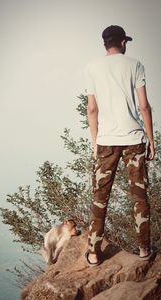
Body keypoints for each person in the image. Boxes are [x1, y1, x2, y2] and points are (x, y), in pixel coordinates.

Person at [84, 25, 155, 266]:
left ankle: (94, 253)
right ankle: (144, 250)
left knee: (100, 197)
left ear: (105, 44)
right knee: (139, 197)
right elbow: (144, 107)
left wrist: (95, 143)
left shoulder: (92, 68)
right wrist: (151, 140)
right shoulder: (135, 64)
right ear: (123, 42)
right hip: (134, 140)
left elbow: (92, 109)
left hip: (106, 142)